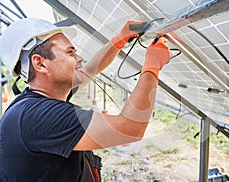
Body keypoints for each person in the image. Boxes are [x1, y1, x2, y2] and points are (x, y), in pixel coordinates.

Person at [0, 18, 171, 181]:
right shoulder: (39, 117)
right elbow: (129, 128)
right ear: (40, 63)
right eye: (70, 52)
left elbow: (88, 71)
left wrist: (119, 40)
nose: (79, 58)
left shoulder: (37, 101)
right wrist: (152, 67)